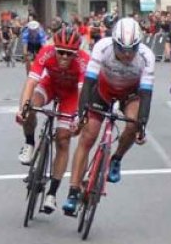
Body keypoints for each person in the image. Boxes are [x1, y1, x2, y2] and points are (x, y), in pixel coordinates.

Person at [62, 18, 155, 215]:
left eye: (133, 49)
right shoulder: (102, 47)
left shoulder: (147, 56)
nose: (128, 54)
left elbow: (146, 94)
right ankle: (73, 191)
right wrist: (81, 115)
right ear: (113, 43)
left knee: (132, 123)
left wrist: (142, 126)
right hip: (103, 90)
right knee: (88, 135)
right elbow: (88, 83)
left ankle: (117, 158)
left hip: (131, 94)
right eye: (122, 49)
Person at [16, 27, 89, 213]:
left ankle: (52, 194)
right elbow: (31, 82)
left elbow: (83, 94)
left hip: (71, 95)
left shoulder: (83, 61)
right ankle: (29, 143)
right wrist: (23, 109)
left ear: (77, 52)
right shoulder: (46, 52)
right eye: (61, 52)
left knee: (63, 140)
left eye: (69, 54)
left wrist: (79, 120)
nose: (64, 57)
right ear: (54, 49)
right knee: (31, 105)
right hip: (50, 86)